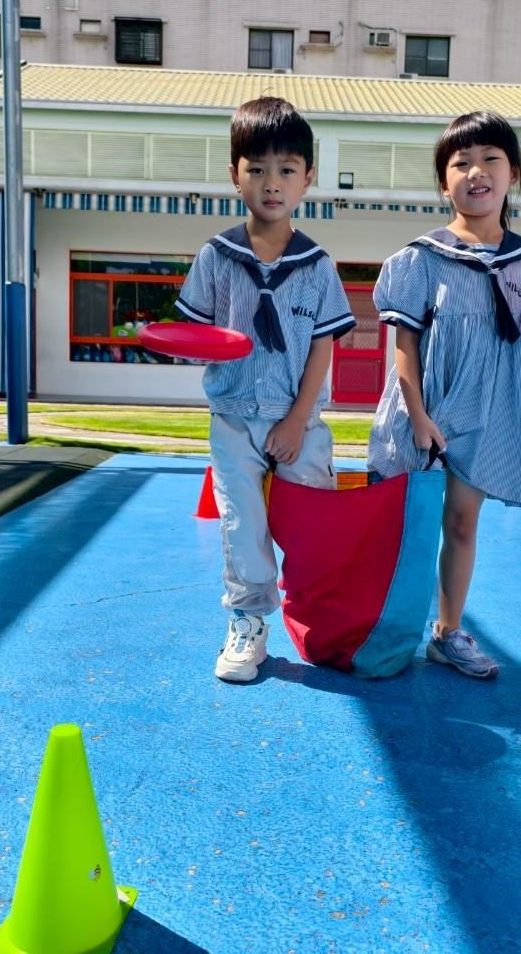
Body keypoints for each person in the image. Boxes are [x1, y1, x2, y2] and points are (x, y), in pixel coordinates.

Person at [367, 111, 521, 680]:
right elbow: (405, 346)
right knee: (409, 525)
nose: (477, 171)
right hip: (427, 408)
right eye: (461, 162)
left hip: (489, 409)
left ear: (512, 173)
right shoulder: (421, 259)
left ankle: (446, 634)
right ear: (443, 182)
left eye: (490, 159)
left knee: (463, 523)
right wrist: (419, 416)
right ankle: (381, 627)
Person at [175, 96, 355, 683]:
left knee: (311, 524)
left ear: (307, 178)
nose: (271, 183)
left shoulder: (317, 264)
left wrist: (298, 420)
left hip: (298, 420)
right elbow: (197, 334)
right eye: (256, 169)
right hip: (232, 418)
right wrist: (179, 343)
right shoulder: (216, 257)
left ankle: (320, 615)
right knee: (241, 525)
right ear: (234, 175)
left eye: (285, 169)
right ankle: (248, 622)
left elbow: (323, 345)